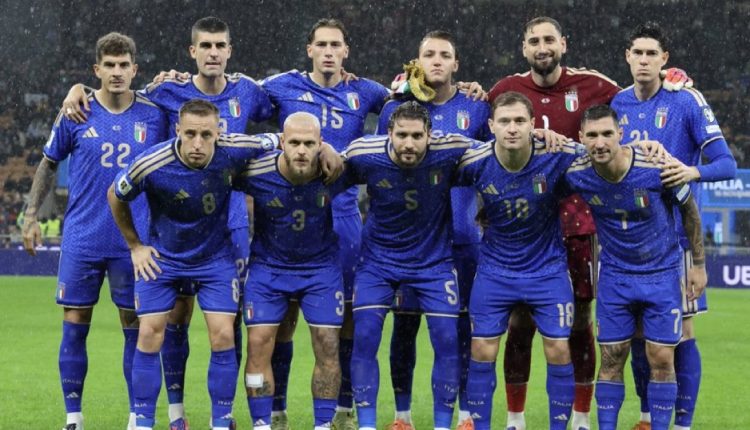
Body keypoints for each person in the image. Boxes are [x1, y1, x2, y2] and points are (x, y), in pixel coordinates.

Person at [62, 17, 274, 428]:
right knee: (172, 321)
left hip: (228, 228)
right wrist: (79, 90)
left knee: (231, 326)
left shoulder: (249, 90)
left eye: (220, 45)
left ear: (230, 50)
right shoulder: (165, 91)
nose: (213, 52)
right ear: (193, 51)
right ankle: (175, 413)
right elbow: (118, 91)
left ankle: (235, 415)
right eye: (206, 45)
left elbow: (286, 119)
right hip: (173, 230)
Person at [486, 16, 690, 430]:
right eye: (534, 41)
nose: (542, 47)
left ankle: (581, 416)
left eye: (549, 39)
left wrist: (670, 86)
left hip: (579, 226)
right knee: (519, 324)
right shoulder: (504, 90)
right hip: (527, 228)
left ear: (563, 43)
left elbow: (635, 102)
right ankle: (515, 418)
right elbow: (476, 125)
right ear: (524, 48)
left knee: (581, 322)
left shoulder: (596, 85)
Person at [21, 32, 168, 430]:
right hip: (83, 240)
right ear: (96, 70)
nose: (117, 72)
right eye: (110, 65)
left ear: (135, 69)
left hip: (133, 244)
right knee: (74, 327)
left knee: (136, 331)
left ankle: (137, 417)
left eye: (124, 65)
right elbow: (49, 162)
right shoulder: (76, 112)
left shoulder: (155, 115)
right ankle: (74, 417)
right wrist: (30, 214)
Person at [107, 99, 274, 430]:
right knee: (149, 333)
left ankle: (221, 420)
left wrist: (325, 149)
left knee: (223, 334)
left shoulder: (235, 148)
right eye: (191, 134)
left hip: (214, 259)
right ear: (178, 131)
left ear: (218, 133)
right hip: (164, 259)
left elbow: (279, 138)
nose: (198, 143)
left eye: (206, 135)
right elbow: (116, 194)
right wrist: (135, 246)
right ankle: (143, 421)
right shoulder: (151, 164)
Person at [258, 19, 389, 430]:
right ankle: (276, 410)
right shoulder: (281, 86)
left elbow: (412, 101)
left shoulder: (365, 91)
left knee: (343, 318)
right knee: (282, 318)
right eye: (322, 44)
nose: (329, 51)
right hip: (288, 214)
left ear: (346, 51)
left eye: (336, 45)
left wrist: (470, 90)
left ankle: (343, 410)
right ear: (309, 50)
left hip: (343, 217)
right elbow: (233, 94)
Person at [610, 22, 736, 430]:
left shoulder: (686, 100)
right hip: (629, 242)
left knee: (680, 334)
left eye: (652, 53)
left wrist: (691, 171)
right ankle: (647, 418)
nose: (644, 60)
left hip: (676, 241)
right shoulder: (617, 103)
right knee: (637, 337)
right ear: (627, 57)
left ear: (664, 59)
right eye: (638, 53)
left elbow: (726, 164)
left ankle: (682, 423)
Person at [565, 104, 707, 430]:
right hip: (615, 276)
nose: (600, 142)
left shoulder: (655, 166)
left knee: (661, 357)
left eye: (607, 134)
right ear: (581, 137)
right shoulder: (576, 173)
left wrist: (698, 264)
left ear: (621, 134)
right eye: (592, 135)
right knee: (612, 357)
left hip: (662, 274)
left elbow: (689, 210)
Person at [375, 30, 490, 428]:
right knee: (405, 325)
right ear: (417, 62)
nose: (436, 60)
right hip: (410, 242)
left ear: (456, 64)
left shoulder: (477, 106)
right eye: (429, 54)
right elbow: (379, 168)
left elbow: (495, 162)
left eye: (444, 54)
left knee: (461, 330)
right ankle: (402, 415)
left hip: (462, 238)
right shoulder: (396, 110)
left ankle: (465, 414)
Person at [455, 92, 579, 430]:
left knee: (558, 348)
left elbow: (606, 152)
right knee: (482, 349)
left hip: (547, 270)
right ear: (491, 125)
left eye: (520, 121)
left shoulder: (556, 154)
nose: (512, 128)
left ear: (533, 125)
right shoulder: (474, 161)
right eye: (505, 121)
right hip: (495, 270)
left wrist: (648, 150)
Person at [346, 102, 474, 430]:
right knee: (365, 336)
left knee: (447, 339)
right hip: (378, 262)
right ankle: (367, 425)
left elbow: (499, 153)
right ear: (388, 132)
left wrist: (538, 138)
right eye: (401, 135)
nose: (409, 143)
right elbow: (327, 171)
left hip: (433, 263)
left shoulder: (451, 149)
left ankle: (443, 425)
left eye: (417, 136)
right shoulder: (363, 153)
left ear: (430, 135)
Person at [234, 112, 350, 430]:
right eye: (294, 142)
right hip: (268, 269)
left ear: (320, 144)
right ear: (282, 142)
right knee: (258, 344)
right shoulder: (256, 172)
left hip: (320, 269)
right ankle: (261, 423)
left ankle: (323, 424)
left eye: (309, 144)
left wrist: (335, 152)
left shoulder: (336, 170)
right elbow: (218, 161)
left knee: (327, 343)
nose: (301, 150)